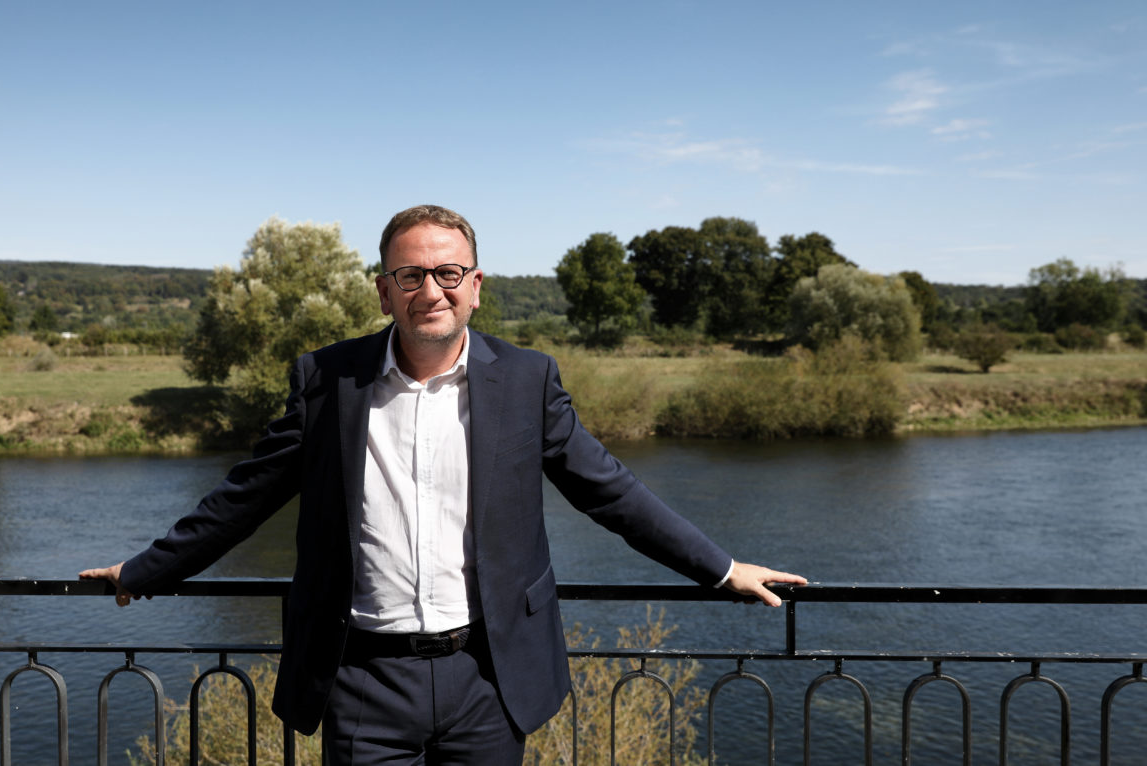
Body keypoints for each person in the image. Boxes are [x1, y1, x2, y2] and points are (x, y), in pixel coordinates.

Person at [81, 204, 806, 765]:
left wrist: (722, 569)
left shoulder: (528, 381)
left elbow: (609, 490)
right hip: (362, 676)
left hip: (489, 677)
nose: (431, 289)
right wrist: (147, 570)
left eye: (448, 273)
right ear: (384, 289)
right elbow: (243, 497)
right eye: (411, 275)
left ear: (476, 287)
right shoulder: (326, 380)